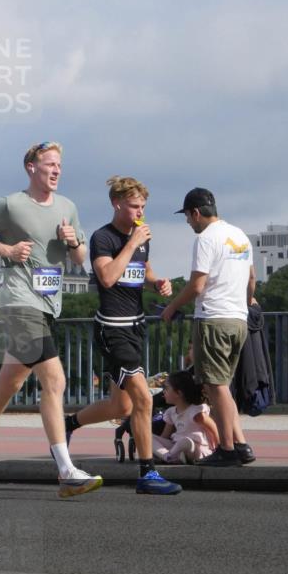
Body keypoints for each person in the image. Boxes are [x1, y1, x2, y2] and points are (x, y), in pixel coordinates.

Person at [0, 141, 102, 498]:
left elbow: (80, 258)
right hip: (19, 302)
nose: (57, 170)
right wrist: (7, 250)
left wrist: (73, 240)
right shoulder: (10, 204)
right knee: (55, 380)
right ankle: (66, 471)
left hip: (49, 305)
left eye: (59, 164)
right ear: (32, 167)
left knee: (10, 383)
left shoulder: (68, 207)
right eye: (50, 164)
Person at [64, 177, 182, 494]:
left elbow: (143, 271)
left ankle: (68, 424)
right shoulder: (103, 238)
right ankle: (147, 474)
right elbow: (107, 277)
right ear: (116, 204)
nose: (139, 212)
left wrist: (158, 284)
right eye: (133, 206)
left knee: (122, 407)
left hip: (135, 326)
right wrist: (131, 243)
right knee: (143, 398)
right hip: (112, 329)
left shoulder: (142, 237)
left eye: (143, 206)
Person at [161, 188, 256, 467]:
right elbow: (251, 279)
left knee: (215, 387)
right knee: (222, 386)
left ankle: (227, 449)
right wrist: (245, 303)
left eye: (187, 217)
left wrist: (171, 307)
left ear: (196, 213)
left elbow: (197, 285)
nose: (188, 222)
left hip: (213, 319)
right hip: (238, 319)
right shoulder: (240, 235)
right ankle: (240, 445)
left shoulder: (205, 239)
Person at [152, 371, 218, 464]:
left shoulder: (195, 411)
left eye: (166, 388)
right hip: (175, 446)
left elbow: (213, 426)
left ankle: (169, 456)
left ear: (179, 393)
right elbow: (165, 436)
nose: (164, 391)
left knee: (185, 442)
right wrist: (158, 446)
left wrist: (217, 446)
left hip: (196, 449)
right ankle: (168, 457)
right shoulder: (170, 412)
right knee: (148, 437)